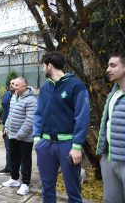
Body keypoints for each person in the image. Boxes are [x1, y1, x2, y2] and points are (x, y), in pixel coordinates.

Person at [33, 52, 90, 202]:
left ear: (49, 65)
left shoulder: (76, 85)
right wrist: (37, 138)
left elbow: (82, 117)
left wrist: (77, 146)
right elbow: (39, 114)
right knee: (47, 188)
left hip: (68, 145)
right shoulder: (45, 88)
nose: (42, 69)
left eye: (43, 66)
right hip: (45, 145)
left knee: (73, 190)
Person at [96, 52, 125, 203]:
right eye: (108, 65)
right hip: (109, 158)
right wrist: (103, 155)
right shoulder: (113, 94)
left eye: (113, 65)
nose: (108, 69)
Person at [2, 77, 37, 196]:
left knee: (25, 160)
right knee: (14, 158)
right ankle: (14, 179)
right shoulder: (14, 96)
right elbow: (10, 114)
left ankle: (25, 184)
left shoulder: (32, 100)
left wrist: (19, 135)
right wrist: (6, 127)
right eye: (13, 85)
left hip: (25, 137)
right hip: (12, 135)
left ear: (24, 87)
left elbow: (30, 120)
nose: (13, 87)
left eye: (17, 85)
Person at [0, 79, 15, 175]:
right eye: (10, 83)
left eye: (13, 83)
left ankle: (19, 170)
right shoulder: (7, 95)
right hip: (5, 125)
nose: (11, 85)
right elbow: (4, 106)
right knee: (8, 148)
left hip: (16, 125)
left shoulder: (20, 96)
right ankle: (8, 168)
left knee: (18, 149)